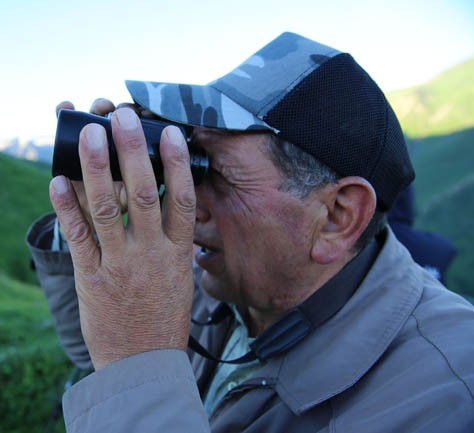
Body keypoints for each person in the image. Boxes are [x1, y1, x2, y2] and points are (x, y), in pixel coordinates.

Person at [26, 32, 474, 432]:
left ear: (337, 215)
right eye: (187, 163)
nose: (186, 204)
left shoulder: (443, 397)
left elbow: (130, 369)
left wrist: (140, 367)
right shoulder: (236, 280)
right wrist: (88, 228)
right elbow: (99, 355)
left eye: (215, 174)